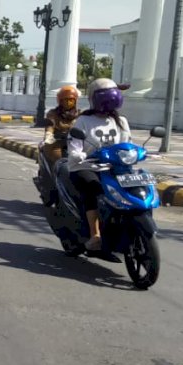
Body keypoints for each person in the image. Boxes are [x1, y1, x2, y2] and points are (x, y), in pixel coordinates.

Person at [67, 78, 129, 262]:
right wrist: (78, 155)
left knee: (134, 186)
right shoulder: (83, 121)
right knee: (93, 187)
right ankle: (95, 236)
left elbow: (127, 144)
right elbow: (74, 146)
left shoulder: (120, 121)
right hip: (85, 166)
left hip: (112, 167)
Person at [41, 85, 80, 163]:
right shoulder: (53, 113)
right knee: (59, 159)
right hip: (57, 143)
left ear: (75, 101)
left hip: (76, 143)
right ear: (60, 101)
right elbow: (50, 125)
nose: (68, 102)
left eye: (71, 100)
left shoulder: (80, 114)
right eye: (65, 100)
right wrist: (49, 134)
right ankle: (56, 174)